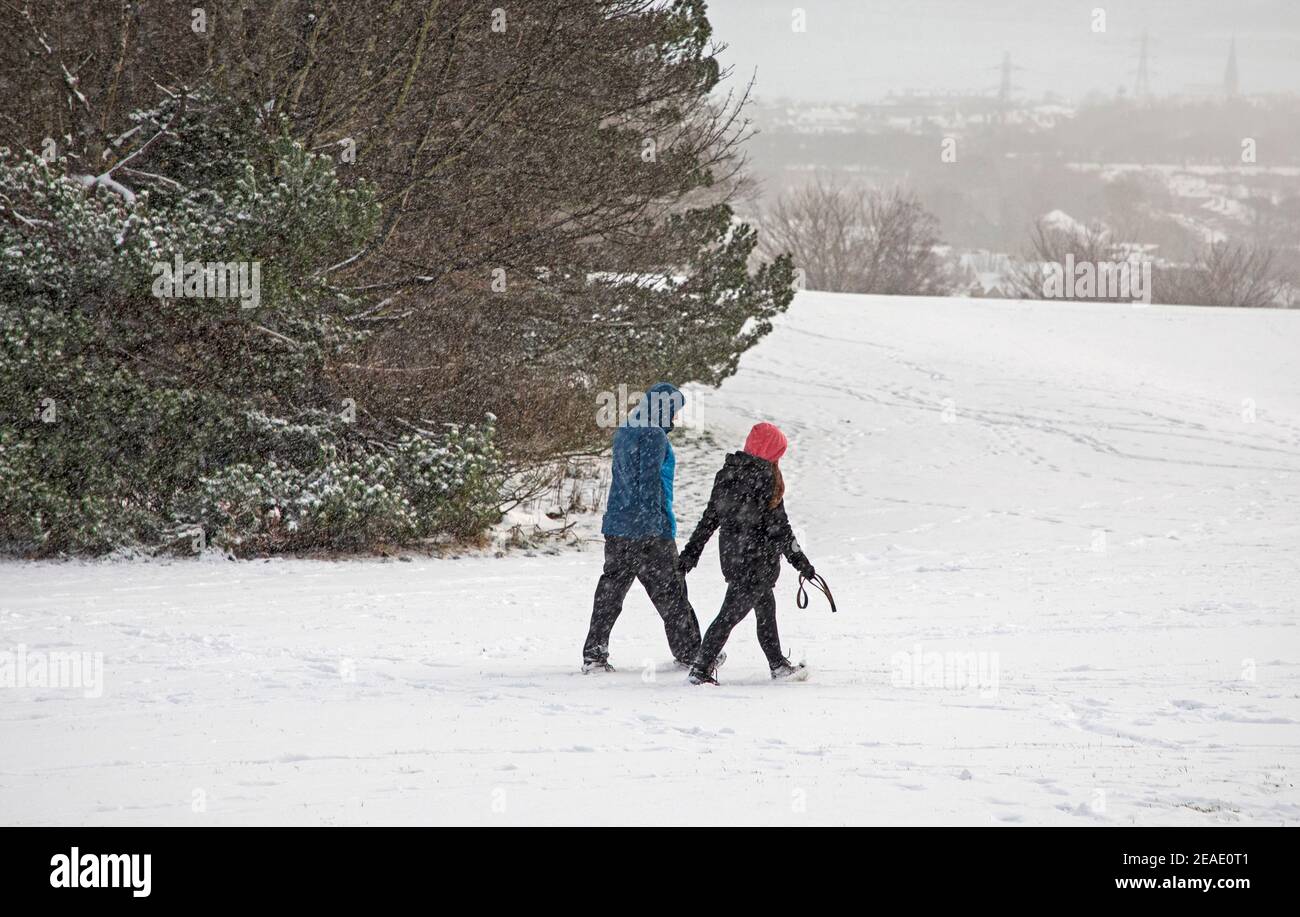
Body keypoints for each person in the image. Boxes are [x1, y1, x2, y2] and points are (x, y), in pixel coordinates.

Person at [679, 422, 815, 685]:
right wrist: (800, 561)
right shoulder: (765, 479)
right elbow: (781, 529)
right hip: (757, 563)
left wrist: (691, 553)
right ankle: (700, 670)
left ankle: (777, 665)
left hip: (733, 558)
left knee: (766, 610)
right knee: (728, 616)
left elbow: (709, 519)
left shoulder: (727, 473)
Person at [581, 382, 701, 672]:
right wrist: (657, 527)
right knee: (672, 593)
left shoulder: (624, 430)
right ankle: (691, 653)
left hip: (618, 525)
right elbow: (649, 484)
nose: (675, 418)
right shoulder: (653, 435)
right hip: (648, 530)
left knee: (610, 593)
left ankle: (594, 655)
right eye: (673, 411)